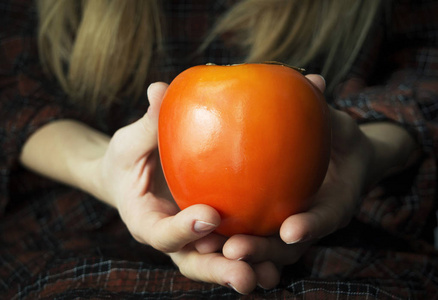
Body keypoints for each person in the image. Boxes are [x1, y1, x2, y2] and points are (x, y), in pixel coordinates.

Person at [1, 0, 437, 298]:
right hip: (73, 231)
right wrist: (99, 168)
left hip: (346, 234)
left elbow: (425, 65)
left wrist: (370, 153)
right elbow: (11, 88)